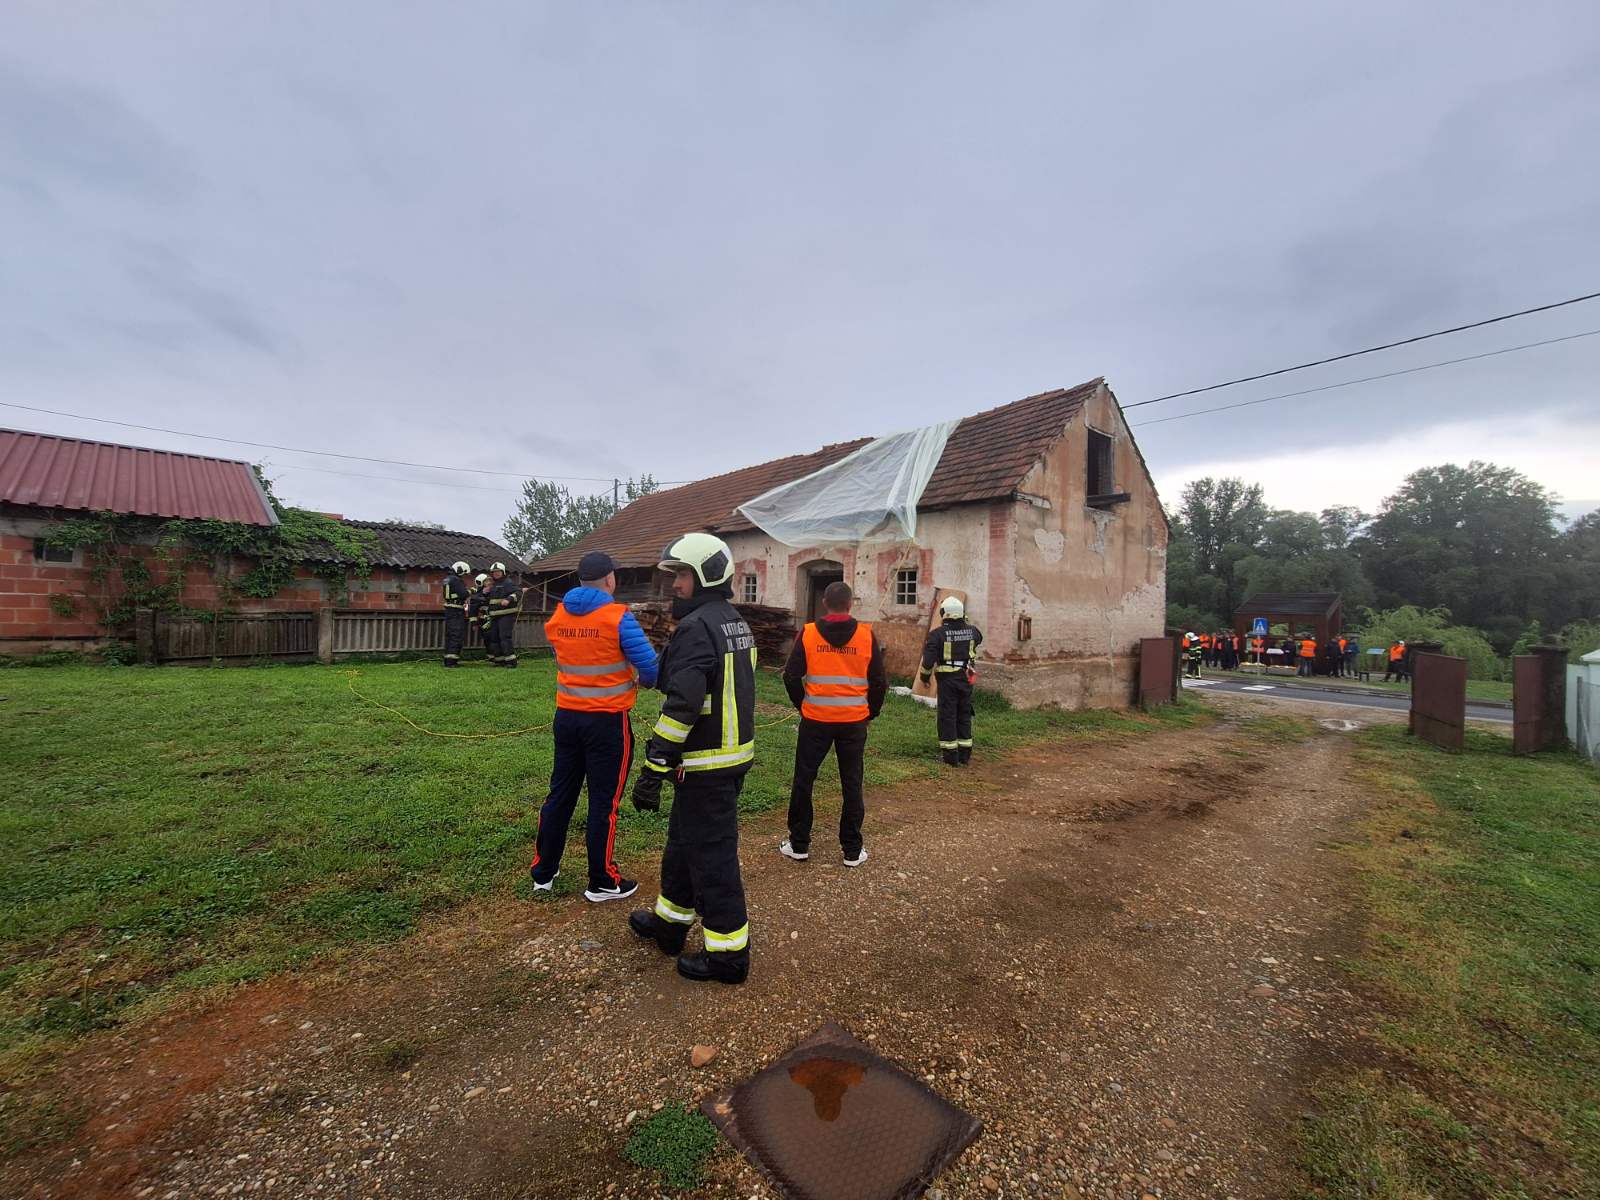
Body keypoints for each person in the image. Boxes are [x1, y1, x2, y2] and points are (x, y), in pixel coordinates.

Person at [627, 533, 756, 986]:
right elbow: (683, 679)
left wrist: (653, 766)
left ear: (704, 576)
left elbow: (684, 704)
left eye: (681, 575)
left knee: (713, 859)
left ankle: (728, 957)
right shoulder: (730, 620)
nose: (675, 585)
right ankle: (671, 925)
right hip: (722, 759)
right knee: (683, 846)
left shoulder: (700, 628)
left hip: (707, 764)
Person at [530, 551, 658, 902]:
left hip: (567, 718)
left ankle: (544, 871)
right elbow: (649, 665)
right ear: (610, 579)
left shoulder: (558, 616)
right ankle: (602, 880)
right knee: (604, 802)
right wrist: (645, 681)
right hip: (607, 723)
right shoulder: (618, 616)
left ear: (579, 579)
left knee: (560, 794)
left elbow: (561, 658)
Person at [779, 581, 887, 869]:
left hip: (815, 720)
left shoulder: (809, 632)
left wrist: (802, 704)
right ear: (851, 604)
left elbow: (790, 676)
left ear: (825, 603)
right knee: (852, 783)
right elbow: (879, 681)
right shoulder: (866, 635)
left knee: (804, 780)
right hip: (853, 723)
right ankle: (852, 850)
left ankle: (799, 844)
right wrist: (870, 712)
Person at [919, 596, 983, 764]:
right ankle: (965, 754)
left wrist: (924, 678)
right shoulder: (973, 631)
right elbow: (978, 639)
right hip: (966, 678)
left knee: (947, 715)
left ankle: (950, 756)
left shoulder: (937, 635)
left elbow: (927, 662)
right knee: (964, 714)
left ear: (944, 613)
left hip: (947, 680)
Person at [482, 561, 522, 667]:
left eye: (498, 572)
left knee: (504, 637)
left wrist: (509, 599)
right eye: (494, 572)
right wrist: (485, 593)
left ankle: (511, 661)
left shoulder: (508, 582)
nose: (496, 574)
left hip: (506, 615)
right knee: (494, 638)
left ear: (503, 572)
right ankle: (499, 660)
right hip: (494, 615)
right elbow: (491, 601)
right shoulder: (493, 584)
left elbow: (518, 592)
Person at [441, 560, 472, 667]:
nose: (464, 576)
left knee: (450, 635)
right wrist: (473, 590)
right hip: (456, 611)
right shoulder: (455, 580)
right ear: (459, 570)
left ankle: (447, 659)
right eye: (463, 573)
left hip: (449, 609)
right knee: (456, 635)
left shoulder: (447, 579)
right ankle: (451, 661)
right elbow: (463, 594)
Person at [466, 572, 491, 658]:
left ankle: (499, 656)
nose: (489, 583)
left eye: (489, 581)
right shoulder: (476, 596)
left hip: (495, 620)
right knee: (488, 639)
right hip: (484, 622)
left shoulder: (493, 593)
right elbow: (472, 612)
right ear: (481, 583)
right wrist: (474, 624)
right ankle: (492, 656)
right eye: (486, 581)